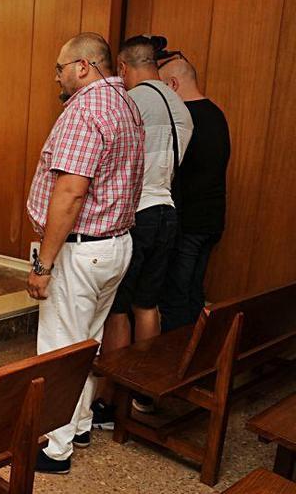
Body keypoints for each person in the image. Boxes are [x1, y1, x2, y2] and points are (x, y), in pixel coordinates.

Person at [25, 32, 143, 474]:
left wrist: (44, 263)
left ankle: (55, 449)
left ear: (82, 67)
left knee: (59, 350)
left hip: (81, 251)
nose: (56, 75)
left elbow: (71, 192)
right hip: (116, 246)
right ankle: (79, 424)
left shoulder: (86, 109)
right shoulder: (125, 103)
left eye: (60, 67)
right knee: (87, 343)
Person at [95, 35, 194, 421]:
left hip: (137, 214)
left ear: (122, 67)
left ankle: (108, 399)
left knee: (118, 310)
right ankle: (144, 392)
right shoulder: (180, 106)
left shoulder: (131, 102)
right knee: (147, 304)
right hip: (168, 211)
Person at [157, 56, 230, 332]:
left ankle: (175, 366)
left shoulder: (186, 119)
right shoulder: (216, 113)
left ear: (173, 84)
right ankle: (196, 359)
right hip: (212, 220)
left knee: (175, 296)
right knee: (193, 293)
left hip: (188, 222)